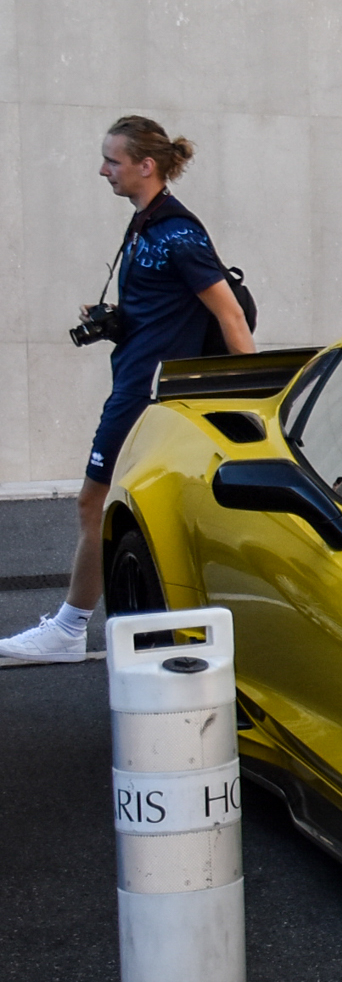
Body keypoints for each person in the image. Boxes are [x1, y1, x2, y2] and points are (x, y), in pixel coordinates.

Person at [0, 118, 255, 665]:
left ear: (147, 165)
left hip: (146, 395)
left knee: (96, 501)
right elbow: (167, 308)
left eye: (112, 161)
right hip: (136, 383)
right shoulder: (145, 223)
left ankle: (70, 628)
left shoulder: (177, 234)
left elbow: (230, 313)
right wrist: (117, 320)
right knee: (122, 506)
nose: (102, 170)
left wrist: (255, 395)